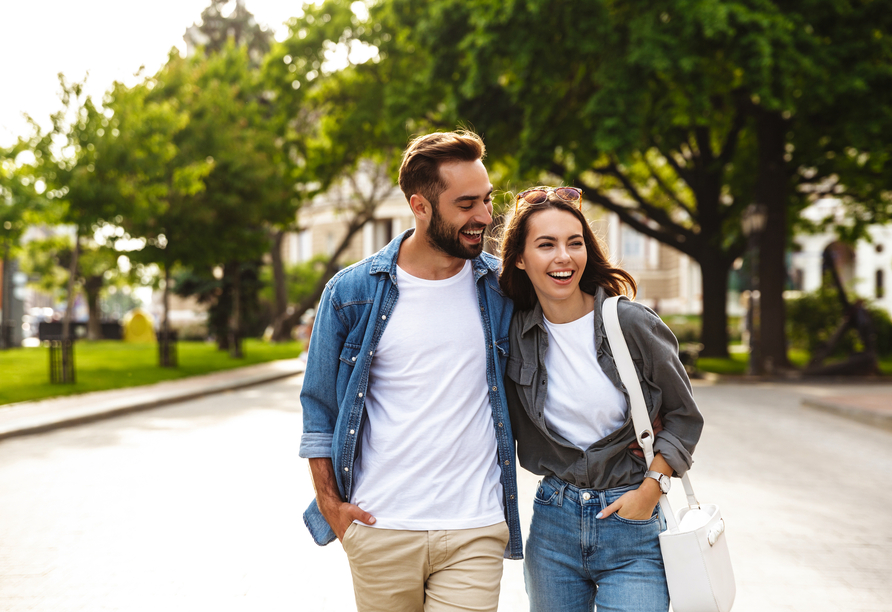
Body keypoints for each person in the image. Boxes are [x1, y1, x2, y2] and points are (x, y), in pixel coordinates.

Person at [298, 130, 522, 612]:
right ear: (420, 207)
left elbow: (564, 349)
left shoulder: (502, 287)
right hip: (381, 527)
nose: (485, 216)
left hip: (475, 527)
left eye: (486, 199)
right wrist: (332, 508)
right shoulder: (351, 293)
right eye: (466, 204)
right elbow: (318, 409)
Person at [498, 186, 704, 612]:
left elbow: (684, 416)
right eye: (546, 244)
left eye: (575, 243)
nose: (564, 257)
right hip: (553, 522)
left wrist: (651, 488)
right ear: (520, 258)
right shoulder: (512, 334)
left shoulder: (629, 323)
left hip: (633, 521)